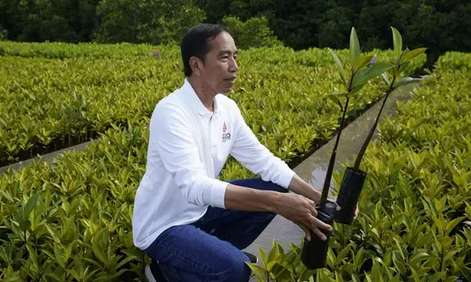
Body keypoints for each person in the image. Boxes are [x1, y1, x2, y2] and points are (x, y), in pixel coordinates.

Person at [132, 23, 354, 282]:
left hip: (201, 212)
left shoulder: (226, 108)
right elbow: (194, 187)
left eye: (235, 57)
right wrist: (277, 203)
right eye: (224, 57)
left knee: (276, 186)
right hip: (165, 225)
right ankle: (164, 271)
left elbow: (265, 162)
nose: (235, 66)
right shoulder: (171, 112)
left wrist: (317, 196)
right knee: (236, 270)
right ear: (196, 65)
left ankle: (208, 252)